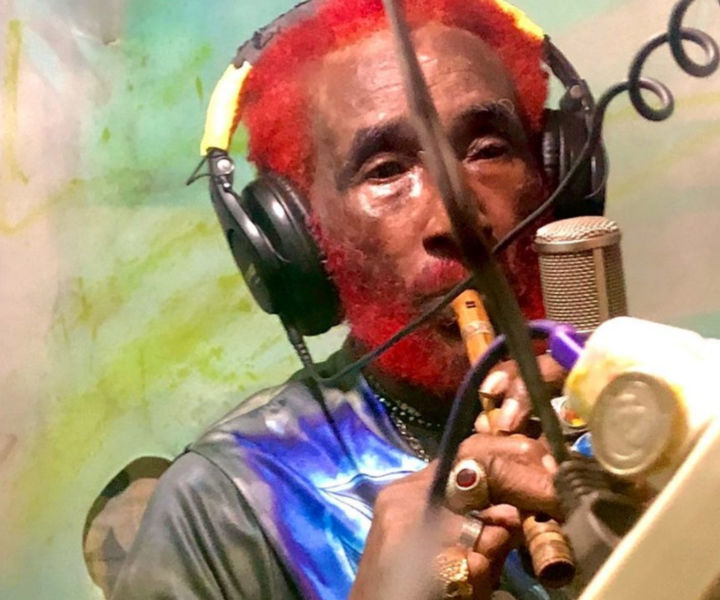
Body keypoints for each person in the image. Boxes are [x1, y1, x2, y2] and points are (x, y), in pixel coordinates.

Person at [112, 1, 572, 598]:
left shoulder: (652, 398)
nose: (457, 219)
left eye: (487, 149)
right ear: (301, 237)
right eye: (385, 170)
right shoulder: (225, 503)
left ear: (555, 176)